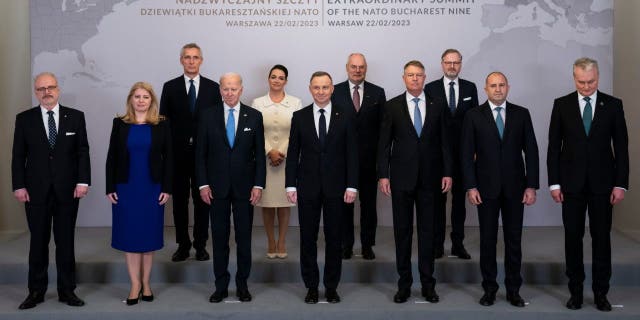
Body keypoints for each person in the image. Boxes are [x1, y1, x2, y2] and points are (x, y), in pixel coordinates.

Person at [547, 57, 629, 312]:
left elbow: (622, 149)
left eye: (591, 81)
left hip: (604, 185)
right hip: (570, 185)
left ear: (598, 77)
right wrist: (554, 184)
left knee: (601, 239)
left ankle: (601, 293)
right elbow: (553, 148)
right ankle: (576, 293)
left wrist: (621, 184)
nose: (586, 87)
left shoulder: (614, 106)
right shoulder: (561, 105)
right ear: (574, 78)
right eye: (581, 82)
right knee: (573, 239)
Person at [12, 72, 90, 309]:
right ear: (36, 92)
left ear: (58, 89)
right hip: (35, 191)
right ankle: (36, 291)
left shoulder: (76, 117)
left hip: (68, 190)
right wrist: (19, 185)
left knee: (65, 242)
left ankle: (67, 291)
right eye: (41, 89)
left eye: (50, 87)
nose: (46, 92)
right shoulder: (24, 119)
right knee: (38, 242)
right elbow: (18, 156)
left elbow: (82, 152)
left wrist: (83, 182)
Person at [461, 72, 539, 308]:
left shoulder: (521, 114)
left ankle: (514, 290)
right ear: (485, 89)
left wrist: (531, 185)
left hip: (516, 188)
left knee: (514, 241)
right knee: (488, 240)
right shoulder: (473, 115)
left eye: (501, 85)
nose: (497, 89)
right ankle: (489, 289)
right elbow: (465, 155)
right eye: (493, 85)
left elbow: (532, 151)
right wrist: (470, 186)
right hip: (485, 189)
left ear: (508, 87)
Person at [377, 61, 452, 303]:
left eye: (419, 75)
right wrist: (383, 175)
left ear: (425, 77)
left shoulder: (438, 104)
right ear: (404, 78)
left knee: (428, 233)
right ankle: (404, 285)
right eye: (411, 75)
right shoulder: (392, 106)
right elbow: (384, 145)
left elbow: (445, 143)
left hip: (431, 179)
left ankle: (428, 285)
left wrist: (448, 172)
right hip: (401, 179)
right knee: (403, 233)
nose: (415, 79)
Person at [286, 71, 358, 304]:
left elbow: (352, 155)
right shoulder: (300, 116)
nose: (320, 91)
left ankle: (331, 286)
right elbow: (292, 154)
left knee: (334, 238)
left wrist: (352, 186)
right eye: (316, 87)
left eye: (325, 87)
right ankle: (311, 287)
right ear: (310, 89)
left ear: (332, 89)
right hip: (307, 187)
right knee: (308, 238)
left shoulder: (345, 116)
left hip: (337, 188)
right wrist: (290, 184)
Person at [196, 73, 266, 303]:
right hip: (215, 189)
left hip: (245, 189)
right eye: (225, 89)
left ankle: (243, 284)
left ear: (241, 90)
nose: (229, 93)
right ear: (220, 90)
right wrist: (203, 184)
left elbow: (259, 157)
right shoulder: (207, 116)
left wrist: (258, 184)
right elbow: (200, 155)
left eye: (233, 89)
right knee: (219, 238)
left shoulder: (254, 116)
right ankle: (221, 286)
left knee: (244, 238)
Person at [106, 82, 173, 305]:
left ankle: (147, 283)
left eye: (145, 97)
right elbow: (112, 158)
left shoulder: (162, 125)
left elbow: (169, 160)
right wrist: (110, 187)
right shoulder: (120, 124)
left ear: (151, 100)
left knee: (148, 237)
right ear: (130, 100)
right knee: (131, 237)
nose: (141, 100)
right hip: (126, 188)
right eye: (137, 96)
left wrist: (167, 187)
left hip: (152, 188)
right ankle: (134, 284)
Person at [160, 43, 222, 262]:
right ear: (181, 60)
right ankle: (183, 244)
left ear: (201, 60)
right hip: (177, 155)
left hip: (204, 156)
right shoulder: (170, 87)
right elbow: (163, 123)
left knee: (203, 200)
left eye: (195, 57)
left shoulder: (213, 88)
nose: (191, 61)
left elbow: (218, 124)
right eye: (187, 57)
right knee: (179, 202)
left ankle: (201, 244)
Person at [424, 48, 478, 260]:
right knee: (438, 202)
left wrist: (475, 150)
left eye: (456, 62)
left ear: (461, 64)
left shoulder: (469, 88)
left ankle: (458, 244)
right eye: (448, 62)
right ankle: (437, 245)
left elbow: (475, 121)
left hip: (464, 155)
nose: (452, 66)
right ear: (442, 64)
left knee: (459, 203)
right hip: (437, 155)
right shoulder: (430, 88)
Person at [331, 53, 386, 260]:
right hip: (342, 162)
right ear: (347, 67)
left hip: (369, 162)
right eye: (353, 66)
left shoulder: (377, 93)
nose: (357, 70)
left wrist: (382, 164)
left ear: (366, 68)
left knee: (369, 205)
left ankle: (367, 244)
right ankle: (346, 244)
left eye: (361, 67)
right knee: (345, 205)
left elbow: (383, 131)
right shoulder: (334, 92)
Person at [251, 64, 302, 259]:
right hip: (264, 159)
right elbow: (255, 131)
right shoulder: (257, 103)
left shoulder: (296, 103)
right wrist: (268, 151)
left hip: (287, 159)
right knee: (268, 203)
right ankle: (270, 241)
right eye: (273, 77)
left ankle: (281, 241)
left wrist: (281, 152)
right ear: (268, 79)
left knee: (283, 203)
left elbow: (298, 131)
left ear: (286, 81)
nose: (277, 80)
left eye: (281, 77)